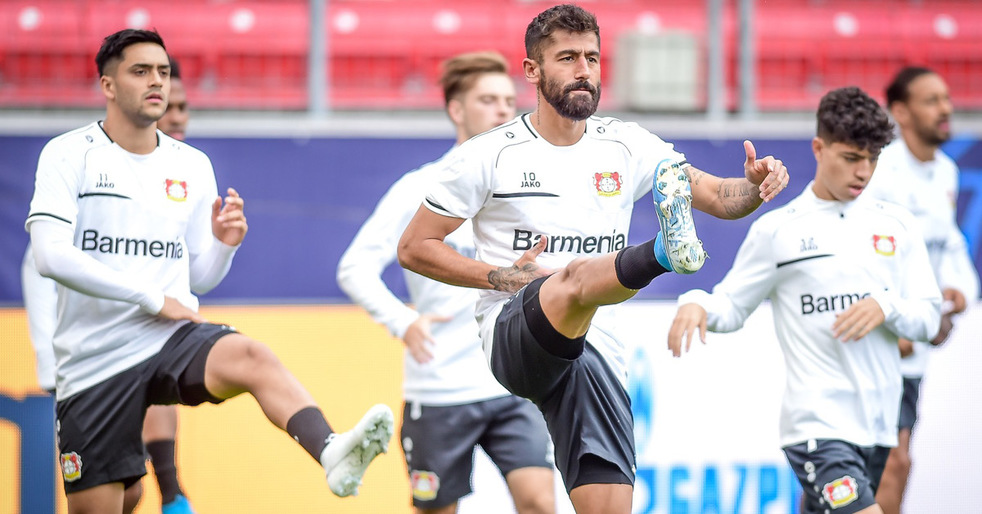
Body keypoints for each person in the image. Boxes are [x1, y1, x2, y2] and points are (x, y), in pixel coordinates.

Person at [397, 5, 789, 512]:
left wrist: (756, 188)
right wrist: (499, 275)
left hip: (594, 352)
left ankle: (665, 252)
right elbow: (413, 247)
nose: (584, 70)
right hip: (514, 333)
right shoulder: (487, 155)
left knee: (607, 504)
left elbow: (718, 196)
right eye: (567, 58)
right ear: (532, 71)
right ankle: (664, 253)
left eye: (592, 58)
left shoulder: (626, 144)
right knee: (574, 279)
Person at [24, 29, 393, 514]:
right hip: (93, 360)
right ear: (108, 85)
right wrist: (152, 298)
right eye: (140, 71)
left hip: (167, 337)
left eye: (162, 72)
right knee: (114, 500)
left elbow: (199, 279)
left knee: (251, 356)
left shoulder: (192, 165)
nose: (156, 82)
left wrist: (223, 247)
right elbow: (49, 257)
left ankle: (329, 451)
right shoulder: (69, 153)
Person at [667, 87, 943, 514]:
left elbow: (928, 318)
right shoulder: (780, 230)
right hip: (816, 429)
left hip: (878, 427)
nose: (863, 172)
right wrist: (697, 302)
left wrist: (886, 307)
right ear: (819, 147)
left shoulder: (897, 224)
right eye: (851, 158)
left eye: (872, 159)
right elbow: (732, 304)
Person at [338, 52, 556, 514]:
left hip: (511, 379)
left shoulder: (530, 184)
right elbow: (354, 267)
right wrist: (402, 321)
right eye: (487, 100)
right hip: (440, 388)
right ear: (456, 110)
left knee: (540, 503)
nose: (502, 110)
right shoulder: (421, 187)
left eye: (507, 100)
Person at [21, 55, 196, 514]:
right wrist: (47, 353)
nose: (175, 115)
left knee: (126, 487)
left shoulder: (186, 172)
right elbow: (40, 260)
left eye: (181, 106)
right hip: (88, 352)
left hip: (136, 338)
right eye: (168, 103)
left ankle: (172, 491)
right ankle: (172, 492)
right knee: (117, 492)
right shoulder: (93, 160)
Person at [864, 67, 981, 514]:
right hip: (874, 338)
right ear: (900, 111)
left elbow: (949, 245)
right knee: (883, 460)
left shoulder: (947, 173)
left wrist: (957, 296)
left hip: (913, 345)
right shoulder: (879, 170)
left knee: (890, 462)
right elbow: (862, 254)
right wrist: (898, 320)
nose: (946, 108)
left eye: (946, 98)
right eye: (931, 100)